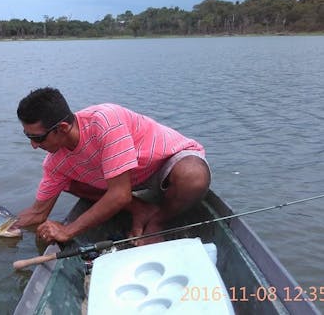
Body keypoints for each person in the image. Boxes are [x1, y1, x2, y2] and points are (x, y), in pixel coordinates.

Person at [15, 87, 211, 245]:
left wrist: (68, 230)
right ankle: (140, 209)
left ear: (63, 128)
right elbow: (37, 213)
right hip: (122, 179)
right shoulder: (54, 163)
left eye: (37, 137)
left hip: (162, 164)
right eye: (28, 136)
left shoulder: (105, 121)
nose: (33, 145)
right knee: (69, 183)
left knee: (193, 177)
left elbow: (120, 194)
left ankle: (157, 220)